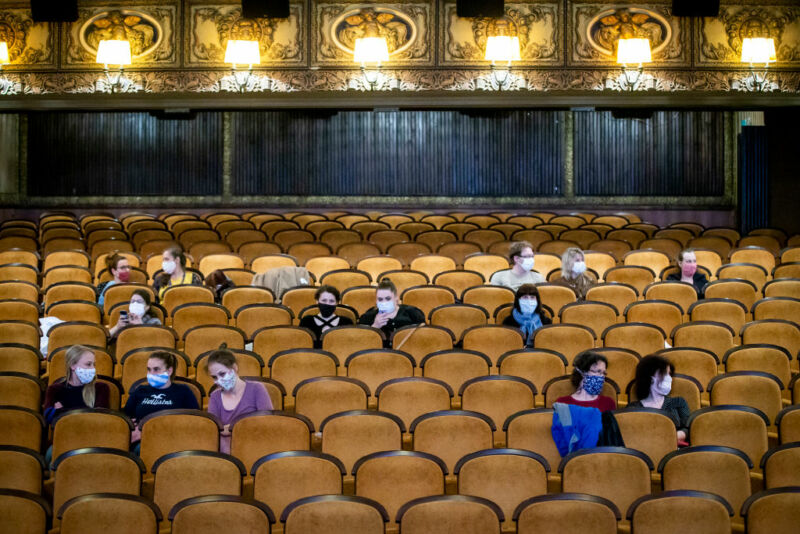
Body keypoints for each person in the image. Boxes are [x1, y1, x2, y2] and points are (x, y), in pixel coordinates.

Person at [206, 349, 272, 454]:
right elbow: (213, 431)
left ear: (235, 368)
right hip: (226, 453)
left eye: (222, 374)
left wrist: (231, 428)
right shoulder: (215, 396)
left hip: (256, 446)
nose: (218, 380)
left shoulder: (257, 388)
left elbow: (267, 423)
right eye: (214, 377)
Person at [124, 351, 199, 442]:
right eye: (149, 369)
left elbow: (194, 421)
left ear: (169, 371)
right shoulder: (140, 390)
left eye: (156, 369)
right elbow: (127, 418)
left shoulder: (183, 391)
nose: (151, 373)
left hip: (174, 439)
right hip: (143, 440)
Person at [627, 355, 690, 444]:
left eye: (669, 374)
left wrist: (669, 437)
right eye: (664, 373)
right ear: (649, 376)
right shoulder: (633, 408)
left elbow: (688, 428)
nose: (669, 378)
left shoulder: (678, 402)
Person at [43, 345, 110, 425]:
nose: (93, 369)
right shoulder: (55, 389)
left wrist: (62, 411)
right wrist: (88, 411)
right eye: (88, 364)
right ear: (72, 365)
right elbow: (49, 417)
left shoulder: (101, 388)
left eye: (94, 365)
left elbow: (100, 417)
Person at [358, 279, 425, 340]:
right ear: (376, 300)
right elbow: (362, 342)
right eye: (380, 299)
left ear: (396, 298)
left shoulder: (412, 313)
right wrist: (375, 326)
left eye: (388, 298)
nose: (384, 302)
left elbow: (422, 338)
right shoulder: (368, 316)